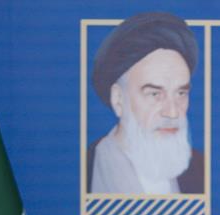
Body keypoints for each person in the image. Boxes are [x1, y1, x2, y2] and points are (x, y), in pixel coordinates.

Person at [87, 12, 203, 194]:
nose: (173, 112)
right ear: (118, 99)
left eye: (181, 93)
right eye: (155, 94)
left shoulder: (200, 169)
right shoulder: (84, 169)